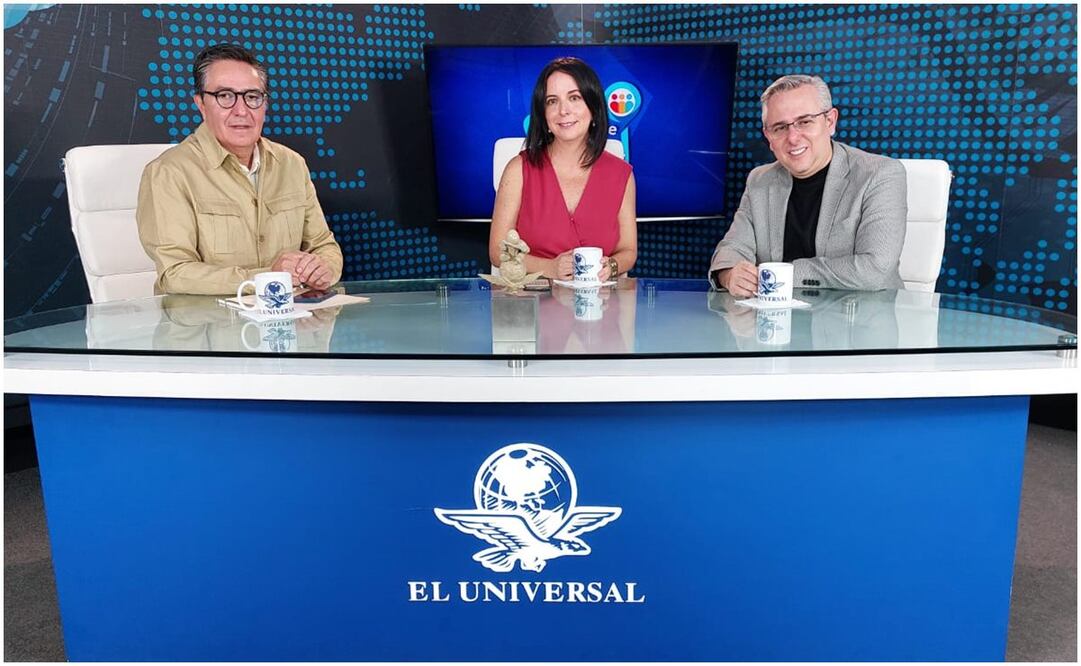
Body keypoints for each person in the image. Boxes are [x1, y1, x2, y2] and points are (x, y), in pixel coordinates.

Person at [137, 43, 343, 295]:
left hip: (288, 316)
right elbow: (174, 273)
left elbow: (324, 246)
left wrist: (323, 268)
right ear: (201, 104)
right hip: (205, 318)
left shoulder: (292, 164)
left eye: (252, 97)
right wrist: (267, 278)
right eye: (225, 96)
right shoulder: (168, 173)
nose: (242, 110)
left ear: (265, 104)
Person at [709, 75, 907, 296]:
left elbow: (874, 269)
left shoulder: (880, 174)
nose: (793, 138)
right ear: (768, 136)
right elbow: (732, 249)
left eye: (804, 122)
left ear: (830, 122)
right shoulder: (760, 180)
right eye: (780, 127)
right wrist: (730, 275)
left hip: (861, 315)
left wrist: (779, 275)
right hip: (775, 315)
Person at [489, 57, 637, 282]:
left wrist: (612, 266)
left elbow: (628, 250)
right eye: (552, 101)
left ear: (594, 107)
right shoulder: (518, 169)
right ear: (543, 114)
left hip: (600, 300)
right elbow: (497, 251)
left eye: (574, 98)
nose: (563, 110)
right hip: (534, 300)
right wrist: (549, 267)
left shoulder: (621, 174)